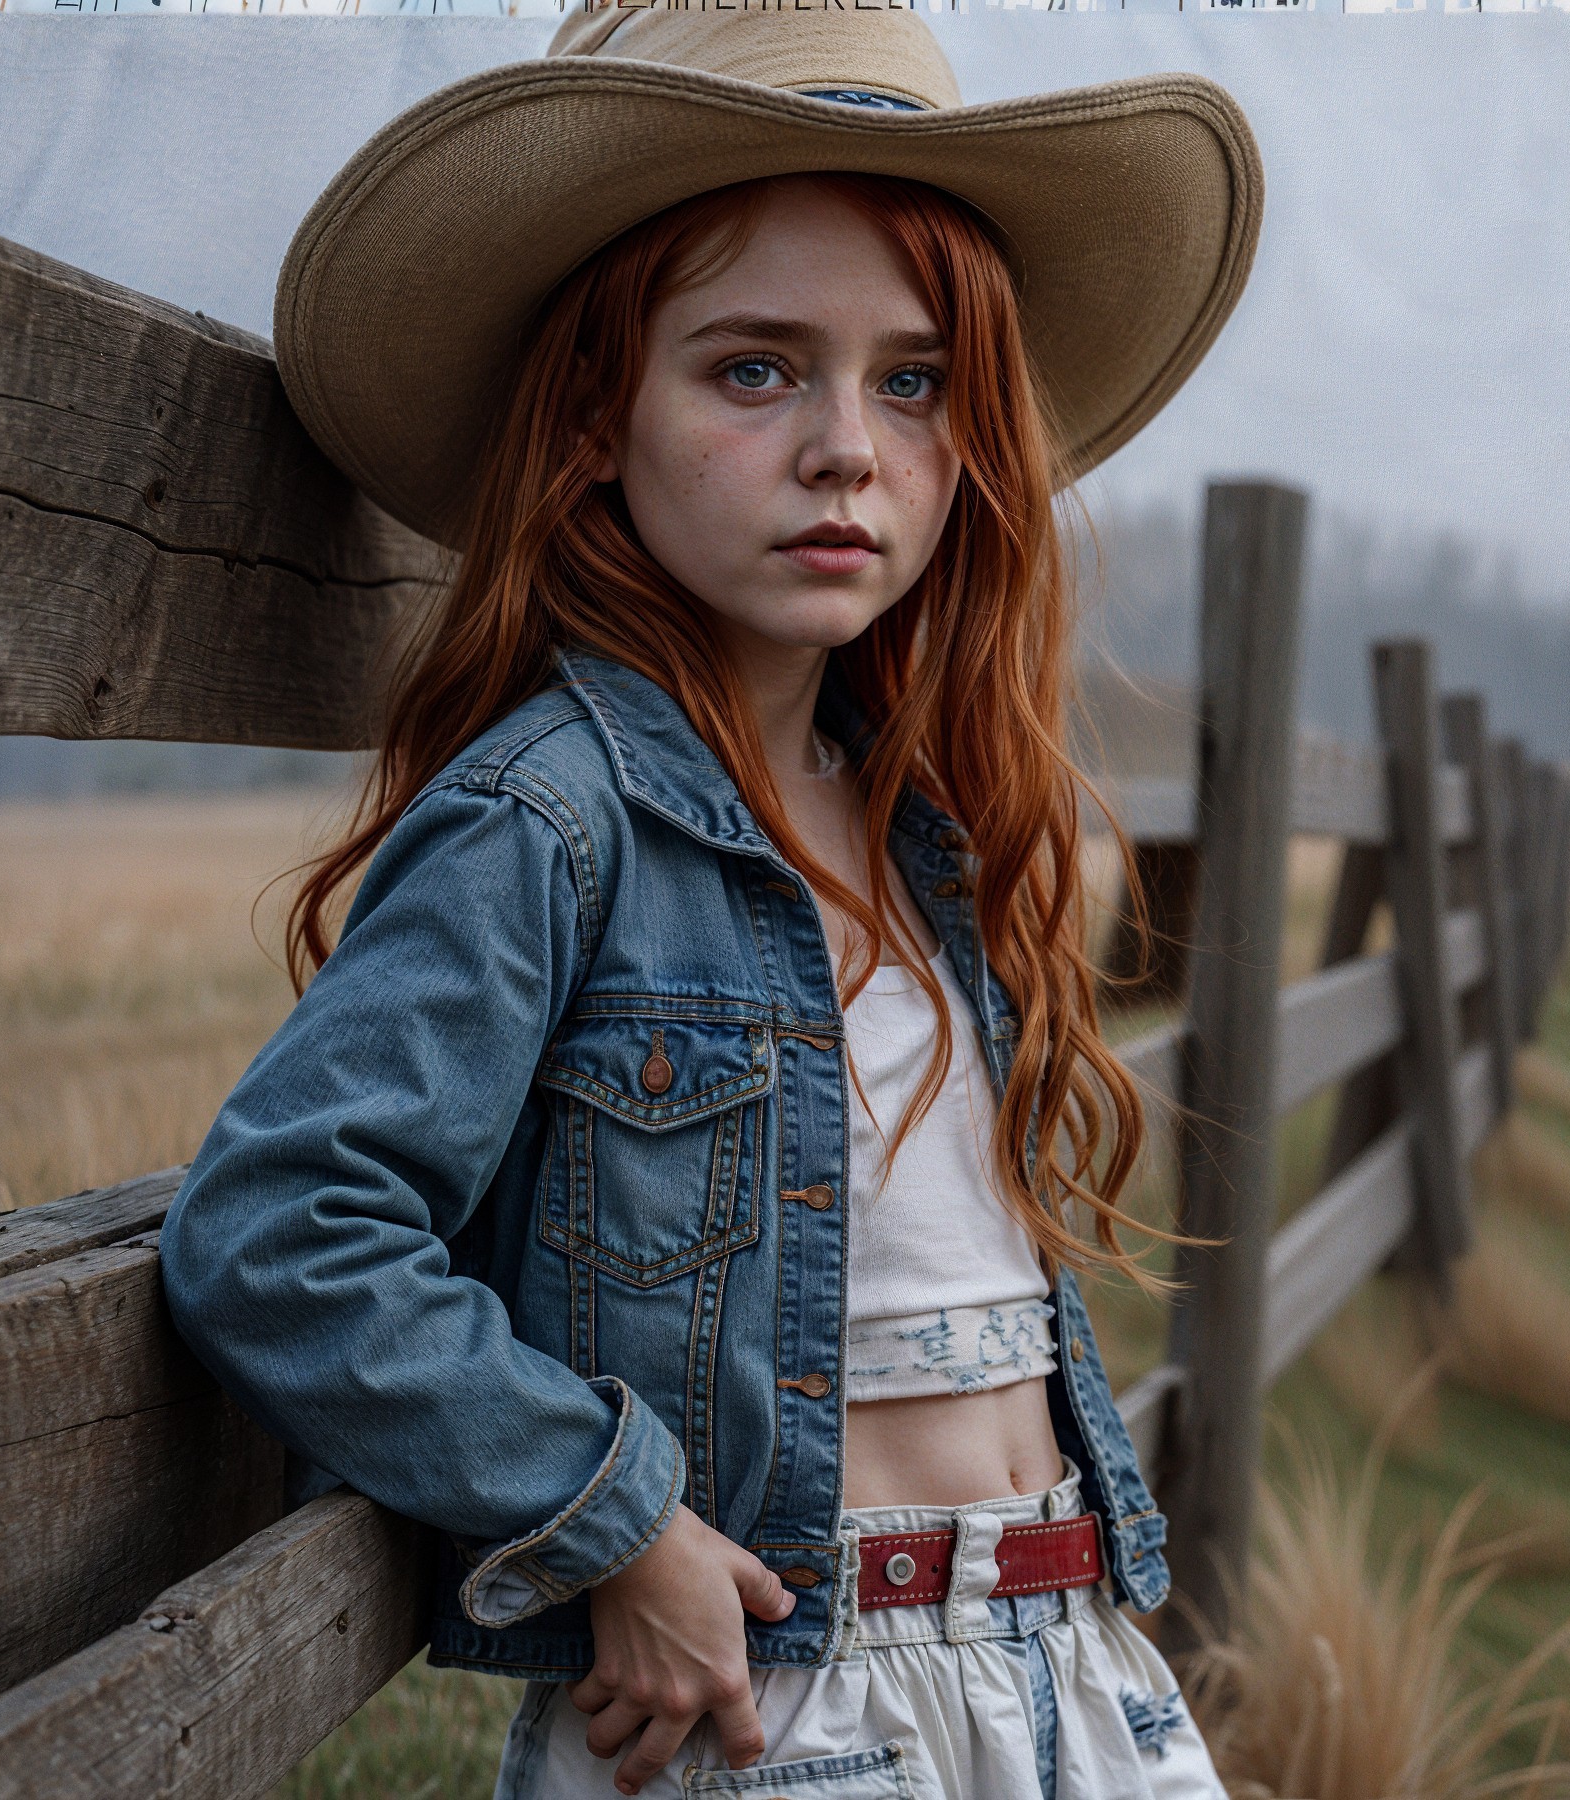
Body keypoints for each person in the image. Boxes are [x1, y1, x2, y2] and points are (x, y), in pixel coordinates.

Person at [157, 8, 1262, 1798]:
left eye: (912, 381)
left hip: (1072, 1671)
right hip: (779, 1699)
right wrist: (615, 1518)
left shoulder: (926, 827)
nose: (849, 449)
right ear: (599, 416)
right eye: (757, 370)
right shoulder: (549, 818)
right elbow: (282, 1227)